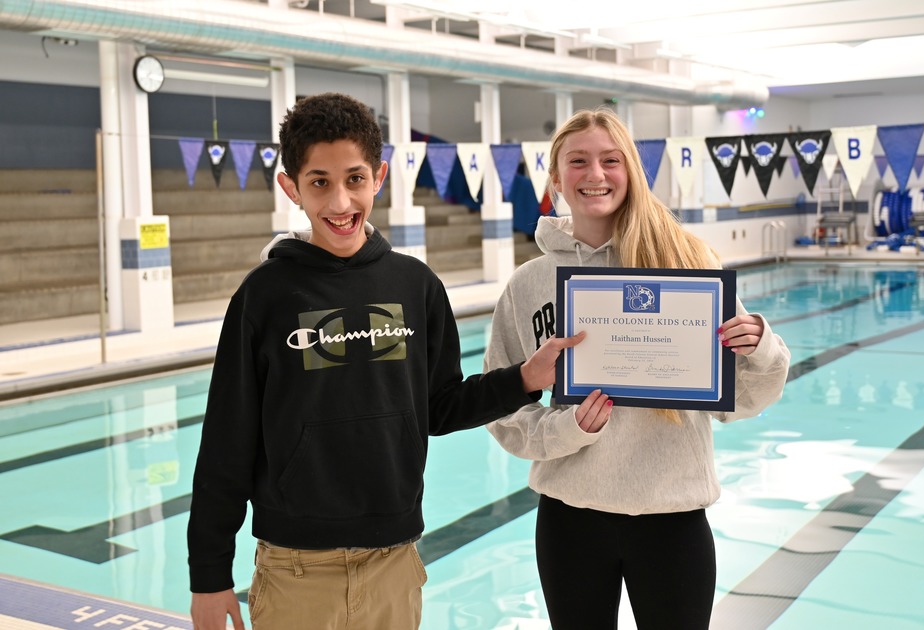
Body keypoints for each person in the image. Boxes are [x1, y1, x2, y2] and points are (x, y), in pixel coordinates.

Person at [186, 92, 583, 630]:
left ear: (379, 176)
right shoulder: (265, 296)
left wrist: (523, 380)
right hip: (294, 567)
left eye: (354, 179)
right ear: (291, 188)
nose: (341, 203)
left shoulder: (414, 285)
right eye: (319, 183)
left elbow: (438, 407)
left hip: (394, 560)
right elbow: (226, 443)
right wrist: (209, 578)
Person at [483, 108, 791, 629]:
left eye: (611, 160)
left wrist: (761, 346)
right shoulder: (529, 284)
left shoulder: (686, 261)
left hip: (673, 516)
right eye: (577, 161)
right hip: (570, 516)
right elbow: (503, 408)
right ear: (556, 177)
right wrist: (568, 429)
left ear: (631, 171)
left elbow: (743, 401)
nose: (595, 174)